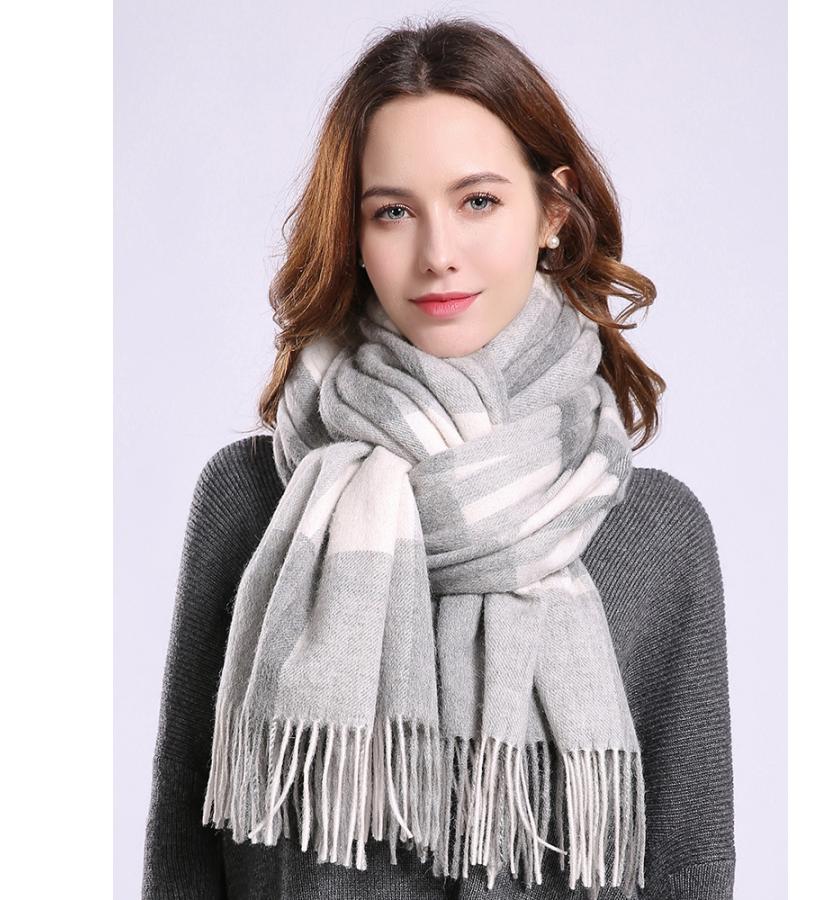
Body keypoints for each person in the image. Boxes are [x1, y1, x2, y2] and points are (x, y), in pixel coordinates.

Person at [141, 16, 736, 900]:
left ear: (553, 213)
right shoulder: (249, 502)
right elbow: (184, 865)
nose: (438, 255)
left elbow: (691, 871)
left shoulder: (658, 533)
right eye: (393, 211)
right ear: (355, 235)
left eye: (479, 201)